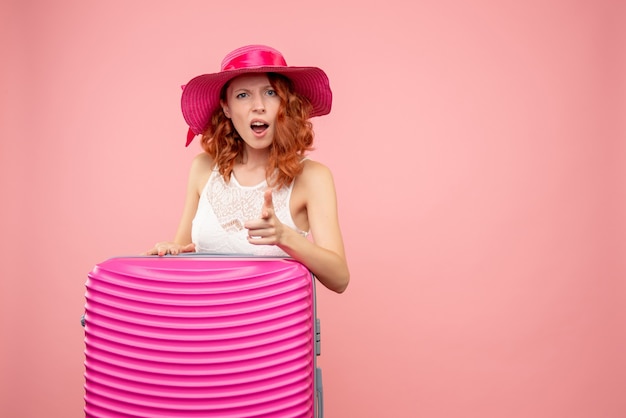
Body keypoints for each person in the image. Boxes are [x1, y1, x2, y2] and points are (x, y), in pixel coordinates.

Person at [145, 45, 349, 293]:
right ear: (226, 107)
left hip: (272, 326)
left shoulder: (312, 177)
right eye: (243, 95)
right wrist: (171, 251)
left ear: (286, 103)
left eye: (271, 92)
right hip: (203, 323)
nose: (259, 106)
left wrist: (285, 237)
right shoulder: (203, 169)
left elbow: (339, 279)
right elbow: (182, 250)